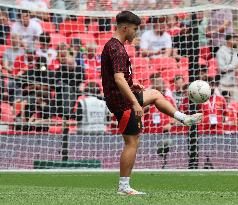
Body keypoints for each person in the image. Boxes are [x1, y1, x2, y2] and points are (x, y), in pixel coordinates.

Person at [101, 10, 203, 195]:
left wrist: (133, 85)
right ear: (125, 28)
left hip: (123, 96)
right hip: (123, 102)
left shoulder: (115, 46)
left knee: (155, 94)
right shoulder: (116, 48)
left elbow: (120, 78)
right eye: (134, 29)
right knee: (132, 142)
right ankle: (124, 187)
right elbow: (118, 79)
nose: (135, 33)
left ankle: (183, 118)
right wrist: (135, 102)